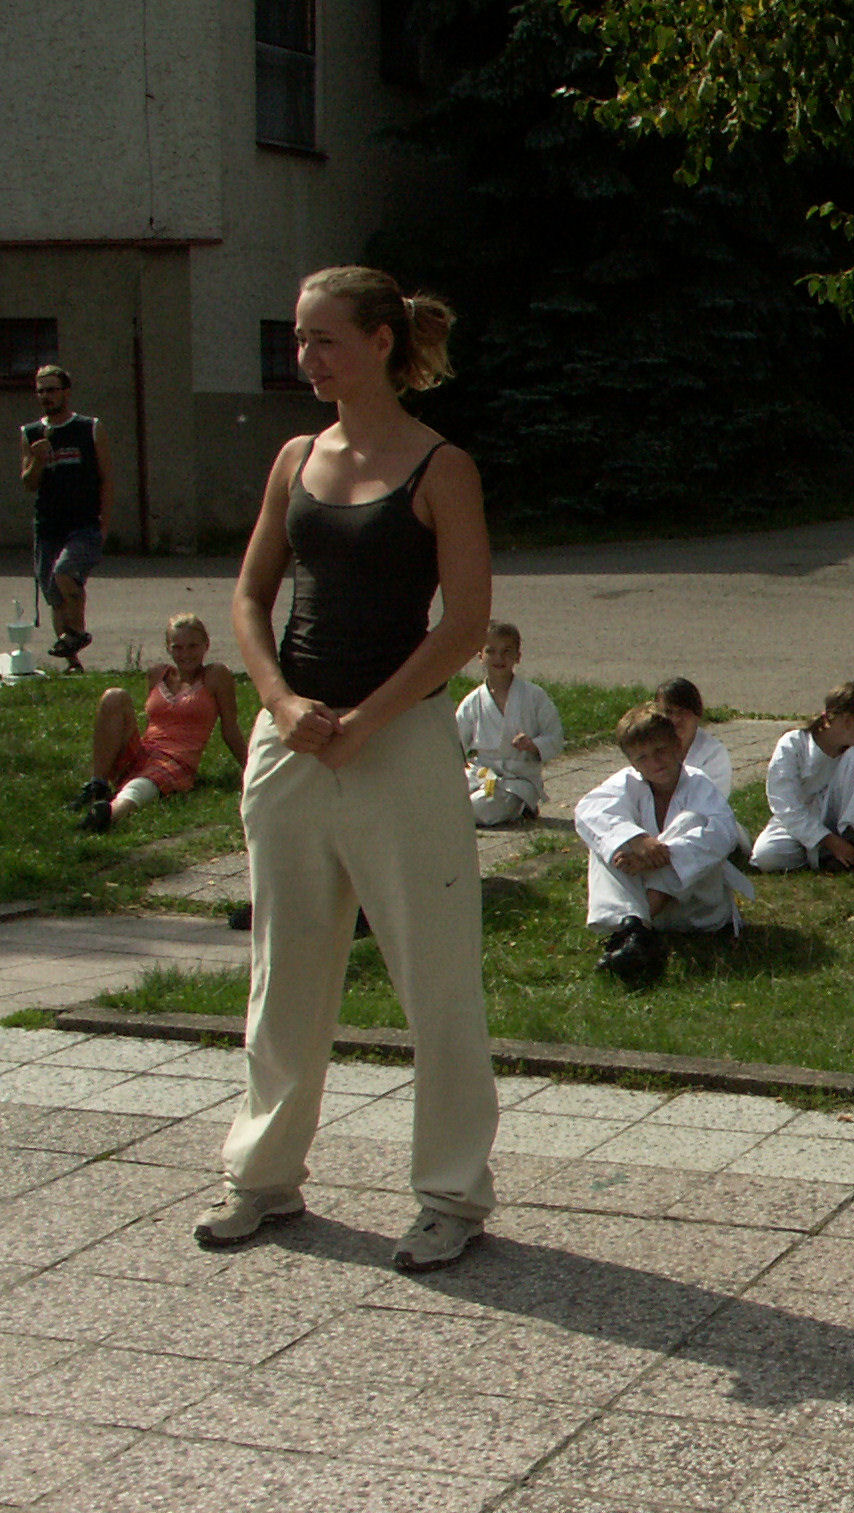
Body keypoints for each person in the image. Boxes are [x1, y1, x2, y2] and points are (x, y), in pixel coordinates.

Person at [197, 265, 500, 1274]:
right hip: (293, 743)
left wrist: (368, 719)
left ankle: (450, 1195)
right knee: (283, 969)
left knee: (436, 977)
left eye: (323, 339)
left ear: (380, 342)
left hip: (398, 743)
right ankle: (263, 1176)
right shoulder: (296, 458)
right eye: (298, 339)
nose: (306, 358)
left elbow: (464, 623)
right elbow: (251, 598)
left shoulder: (441, 467)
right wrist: (281, 704)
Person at [577, 702, 752, 988]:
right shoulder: (627, 782)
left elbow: (722, 836)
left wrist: (660, 853)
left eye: (660, 750)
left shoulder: (698, 783)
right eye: (642, 757)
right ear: (633, 763)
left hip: (696, 908)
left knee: (692, 821)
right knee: (607, 840)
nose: (654, 762)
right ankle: (634, 930)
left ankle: (634, 930)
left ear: (677, 746)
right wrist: (636, 840)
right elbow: (587, 812)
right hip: (647, 907)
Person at [73, 614, 247, 833]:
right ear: (168, 648)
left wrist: (250, 768)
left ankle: (110, 813)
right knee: (114, 696)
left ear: (206, 645)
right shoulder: (158, 674)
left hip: (178, 759)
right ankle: (97, 785)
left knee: (148, 779)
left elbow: (230, 728)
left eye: (193, 646)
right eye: (178, 647)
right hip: (145, 750)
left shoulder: (215, 675)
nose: (186, 654)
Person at [19, 364, 112, 670]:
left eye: (52, 390)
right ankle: (72, 660)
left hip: (83, 523)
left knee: (65, 572)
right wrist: (37, 459)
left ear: (66, 392)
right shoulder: (31, 433)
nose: (46, 396)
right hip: (48, 526)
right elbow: (28, 483)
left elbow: (106, 479)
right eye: (41, 391)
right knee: (55, 595)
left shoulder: (89, 428)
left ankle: (78, 633)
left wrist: (104, 524)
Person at [751, 680, 854, 873]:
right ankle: (827, 854)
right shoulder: (793, 744)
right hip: (800, 823)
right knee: (766, 857)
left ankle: (852, 843)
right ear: (847, 721)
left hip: (841, 824)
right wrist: (828, 841)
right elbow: (785, 804)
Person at [454, 620, 564, 826]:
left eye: (506, 651)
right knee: (446, 798)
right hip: (482, 775)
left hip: (517, 780)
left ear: (517, 657)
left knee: (478, 808)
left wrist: (533, 745)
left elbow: (555, 737)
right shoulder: (473, 701)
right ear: (480, 656)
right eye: (491, 651)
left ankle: (522, 806)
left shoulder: (534, 696)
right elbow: (455, 743)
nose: (499, 658)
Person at [656, 677, 730, 791]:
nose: (675, 719)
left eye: (682, 712)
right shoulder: (650, 748)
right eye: (668, 712)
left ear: (697, 714)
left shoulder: (714, 754)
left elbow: (711, 798)